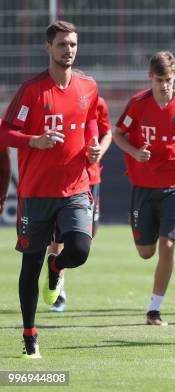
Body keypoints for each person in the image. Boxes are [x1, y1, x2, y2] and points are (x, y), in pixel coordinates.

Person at [0, 21, 101, 358]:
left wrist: (94, 143)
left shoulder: (88, 86)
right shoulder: (32, 91)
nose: (68, 50)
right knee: (29, 266)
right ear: (48, 48)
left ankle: (56, 267)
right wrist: (35, 141)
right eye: (62, 45)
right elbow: (5, 133)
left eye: (72, 44)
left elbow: (91, 120)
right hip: (36, 194)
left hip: (75, 187)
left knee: (81, 250)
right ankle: (30, 335)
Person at [113, 51, 175, 326]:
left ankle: (154, 310)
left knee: (167, 246)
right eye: (159, 80)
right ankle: (138, 221)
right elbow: (118, 134)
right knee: (146, 252)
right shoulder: (138, 104)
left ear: (174, 76)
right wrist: (134, 151)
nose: (164, 85)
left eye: (169, 79)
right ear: (150, 77)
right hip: (143, 185)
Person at [48, 96, 113, 312]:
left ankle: (57, 269)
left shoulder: (97, 102)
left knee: (86, 237)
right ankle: (59, 289)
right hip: (67, 180)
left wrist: (98, 152)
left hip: (91, 178)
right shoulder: (61, 101)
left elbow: (107, 133)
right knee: (58, 237)